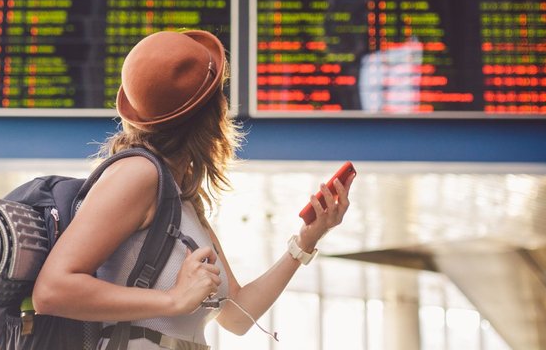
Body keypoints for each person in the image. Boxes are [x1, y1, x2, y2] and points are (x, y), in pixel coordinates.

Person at [31, 30, 355, 349]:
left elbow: (239, 316)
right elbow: (52, 291)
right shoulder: (138, 174)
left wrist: (306, 241)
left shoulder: (178, 195)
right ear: (214, 111)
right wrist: (172, 300)